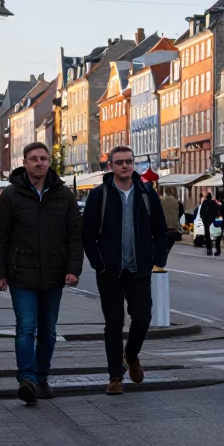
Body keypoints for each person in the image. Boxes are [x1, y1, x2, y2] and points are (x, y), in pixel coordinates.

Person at [0, 142, 83, 404]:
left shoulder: (63, 194)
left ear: (49, 161)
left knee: (49, 331)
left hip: (54, 274)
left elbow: (75, 235)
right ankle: (27, 379)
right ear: (25, 162)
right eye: (33, 159)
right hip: (22, 275)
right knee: (26, 328)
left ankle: (41, 378)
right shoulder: (11, 195)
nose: (39, 163)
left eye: (43, 158)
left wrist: (73, 268)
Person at [82, 147, 168, 395]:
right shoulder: (100, 195)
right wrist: (98, 263)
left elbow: (160, 229)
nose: (125, 166)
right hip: (110, 271)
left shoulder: (145, 193)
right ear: (110, 166)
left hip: (139, 269)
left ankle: (131, 354)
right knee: (113, 324)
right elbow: (87, 234)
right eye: (119, 162)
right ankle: (115, 377)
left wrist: (157, 259)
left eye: (129, 161)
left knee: (142, 318)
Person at [159, 187, 182, 254]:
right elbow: (178, 214)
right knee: (169, 246)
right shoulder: (175, 202)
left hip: (165, 226)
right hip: (174, 226)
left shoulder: (162, 202)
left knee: (164, 247)